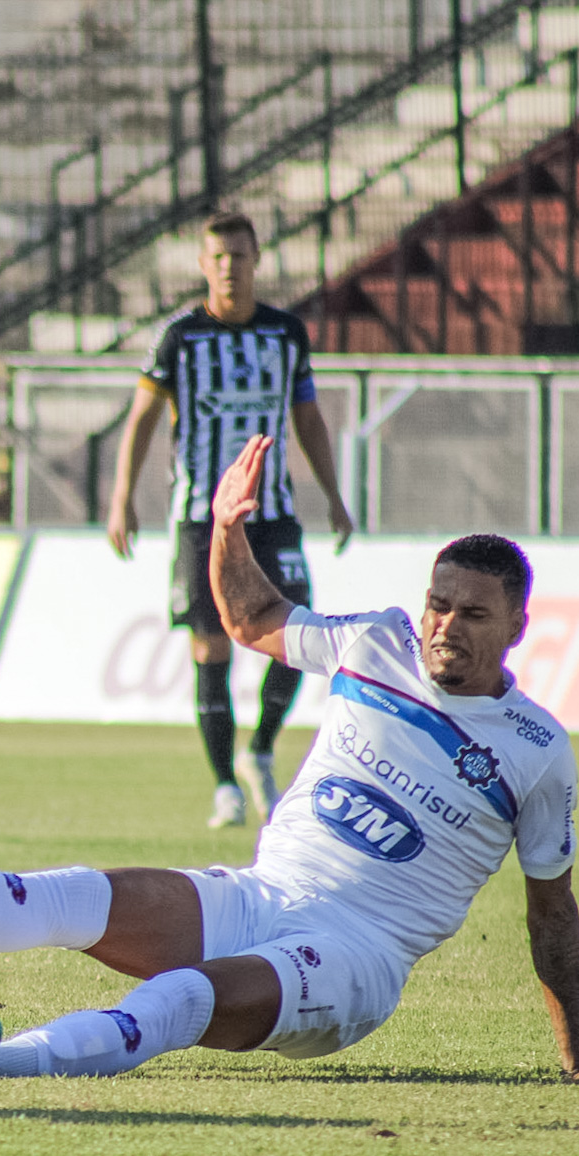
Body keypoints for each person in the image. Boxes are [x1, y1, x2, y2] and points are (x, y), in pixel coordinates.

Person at [0, 436, 579, 1084]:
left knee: (182, 998)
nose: (444, 625)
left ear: (517, 624)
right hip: (262, 894)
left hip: (357, 953)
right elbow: (253, 617)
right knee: (72, 895)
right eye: (438, 604)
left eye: (471, 613)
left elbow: (551, 911)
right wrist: (228, 526)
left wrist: (575, 1061)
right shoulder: (374, 643)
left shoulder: (533, 749)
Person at [108, 211, 355, 831]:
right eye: (217, 257)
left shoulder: (286, 333)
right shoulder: (178, 338)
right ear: (202, 264)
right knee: (210, 642)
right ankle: (224, 785)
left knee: (298, 635)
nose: (229, 268)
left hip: (273, 513)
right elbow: (140, 420)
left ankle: (261, 749)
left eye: (239, 256)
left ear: (256, 261)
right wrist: (121, 498)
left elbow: (308, 418)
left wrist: (334, 495)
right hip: (201, 518)